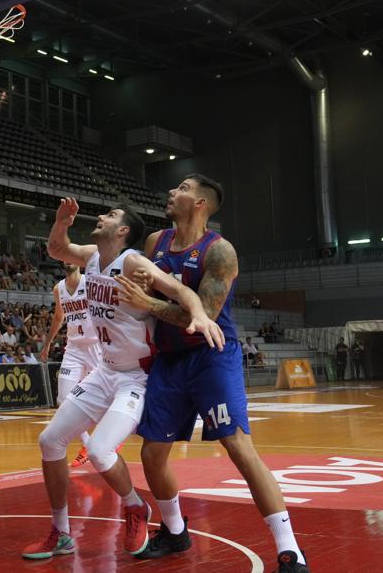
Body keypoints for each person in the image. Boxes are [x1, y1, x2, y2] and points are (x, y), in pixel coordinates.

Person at [119, 175, 310, 572]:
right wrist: (144, 294)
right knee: (152, 454)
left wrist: (148, 303)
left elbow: (197, 315)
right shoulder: (155, 243)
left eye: (182, 188)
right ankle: (174, 532)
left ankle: (289, 548)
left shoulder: (220, 252)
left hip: (211, 356)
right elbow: (148, 294)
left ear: (201, 202)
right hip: (169, 361)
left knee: (238, 447)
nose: (172, 192)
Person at [23, 199, 223, 561]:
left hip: (137, 377)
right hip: (104, 370)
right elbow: (56, 248)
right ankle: (61, 532)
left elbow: (182, 291)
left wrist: (201, 315)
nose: (100, 217)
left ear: (123, 231)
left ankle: (134, 507)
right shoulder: (91, 257)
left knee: (100, 451)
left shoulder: (132, 262)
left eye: (110, 216)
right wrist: (60, 224)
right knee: (49, 440)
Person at [40, 262, 102, 468]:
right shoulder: (58, 289)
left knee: (107, 396)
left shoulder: (90, 282)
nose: (69, 260)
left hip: (96, 346)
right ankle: (87, 444)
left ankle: (110, 438)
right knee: (63, 399)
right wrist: (47, 343)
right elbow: (59, 317)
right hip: (74, 348)